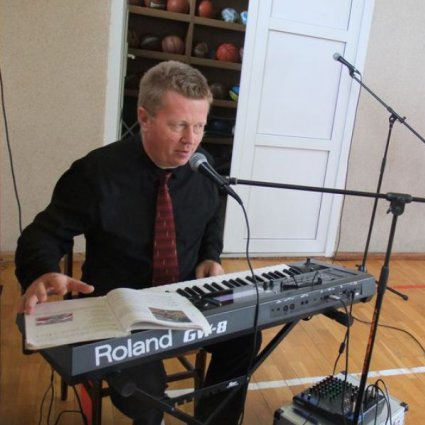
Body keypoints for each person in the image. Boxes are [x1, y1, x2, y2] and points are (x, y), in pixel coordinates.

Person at [16, 60, 258, 425]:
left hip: (185, 297)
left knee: (247, 337)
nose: (190, 139)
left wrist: (211, 253)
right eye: (178, 125)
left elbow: (212, 214)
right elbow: (42, 235)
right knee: (145, 392)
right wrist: (41, 271)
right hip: (117, 307)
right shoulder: (96, 173)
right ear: (144, 118)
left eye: (199, 126)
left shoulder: (202, 167)